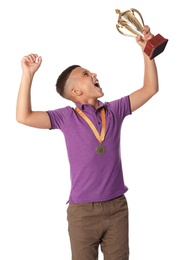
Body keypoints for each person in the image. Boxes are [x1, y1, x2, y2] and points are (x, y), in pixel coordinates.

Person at [16, 25, 158, 260]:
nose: (93, 74)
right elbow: (24, 116)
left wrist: (148, 52)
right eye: (85, 74)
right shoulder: (65, 117)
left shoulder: (114, 110)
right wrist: (28, 75)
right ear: (76, 92)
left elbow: (150, 88)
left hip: (117, 208)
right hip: (82, 213)